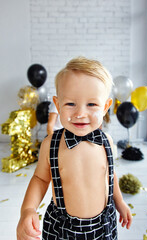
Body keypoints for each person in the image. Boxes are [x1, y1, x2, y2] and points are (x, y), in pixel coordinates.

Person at [17, 57, 132, 240]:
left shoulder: (106, 141)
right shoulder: (51, 144)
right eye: (70, 104)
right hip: (62, 227)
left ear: (105, 107)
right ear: (57, 104)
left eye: (92, 104)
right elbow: (39, 179)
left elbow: (110, 175)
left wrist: (120, 203)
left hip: (103, 225)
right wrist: (28, 210)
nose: (80, 114)